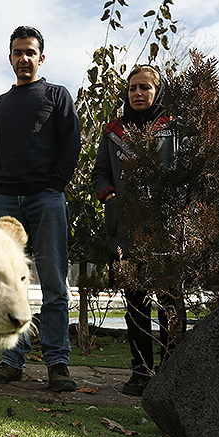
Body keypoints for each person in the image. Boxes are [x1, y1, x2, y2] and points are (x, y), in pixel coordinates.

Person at [0, 25, 82, 392]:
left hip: (46, 198)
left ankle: (58, 364)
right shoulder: (1, 104)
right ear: (10, 58)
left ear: (41, 57)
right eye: (18, 52)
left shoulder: (57, 95)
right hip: (4, 200)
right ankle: (11, 361)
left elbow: (73, 143)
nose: (24, 58)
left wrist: (56, 185)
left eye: (30, 52)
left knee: (54, 283)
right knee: (7, 283)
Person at [91, 65, 181, 396]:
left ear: (158, 92)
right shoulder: (112, 131)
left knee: (169, 302)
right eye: (132, 88)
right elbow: (100, 173)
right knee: (135, 302)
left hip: (164, 229)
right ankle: (140, 371)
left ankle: (172, 370)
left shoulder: (172, 130)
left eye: (145, 87)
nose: (138, 93)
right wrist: (109, 195)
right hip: (125, 229)